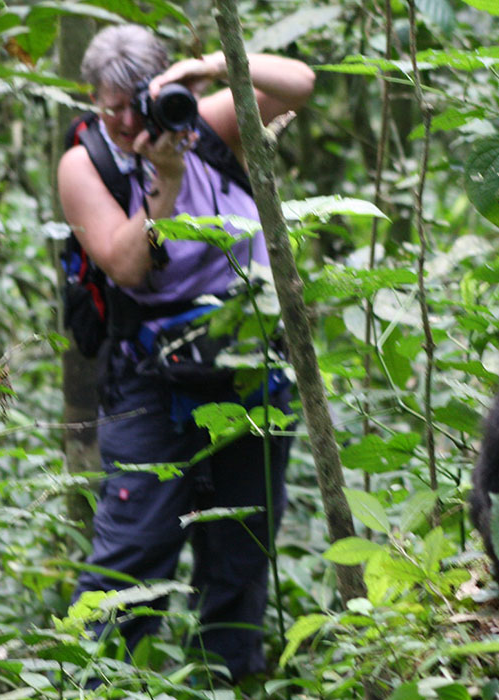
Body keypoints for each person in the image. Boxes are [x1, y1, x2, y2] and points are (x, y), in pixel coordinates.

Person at [57, 24, 314, 681]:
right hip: (152, 379)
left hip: (250, 362)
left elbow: (300, 84)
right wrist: (163, 181)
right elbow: (124, 264)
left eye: (131, 103)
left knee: (240, 550)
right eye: (105, 105)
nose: (120, 120)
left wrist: (203, 70)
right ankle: (101, 684)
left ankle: (228, 680)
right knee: (134, 552)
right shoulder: (87, 163)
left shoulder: (202, 120)